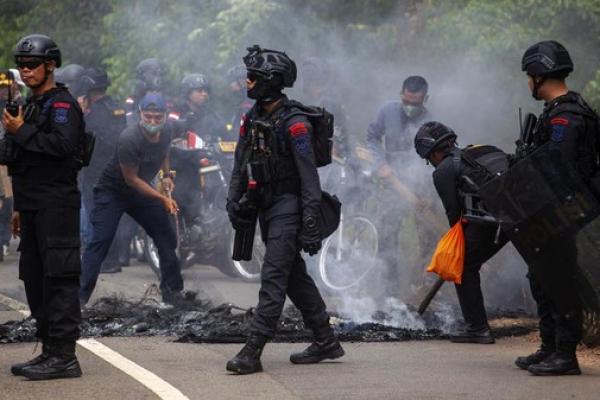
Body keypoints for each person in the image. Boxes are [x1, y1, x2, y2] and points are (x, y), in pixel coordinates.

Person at [225, 45, 344, 375]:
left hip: (288, 205)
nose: (247, 82)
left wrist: (307, 221)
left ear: (271, 81)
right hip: (264, 203)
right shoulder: (253, 116)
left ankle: (252, 351)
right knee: (293, 276)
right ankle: (325, 339)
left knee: (274, 277)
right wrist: (233, 201)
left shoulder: (295, 123)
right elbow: (240, 162)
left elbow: (309, 178)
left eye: (253, 77)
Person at [2, 34, 84, 380]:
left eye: (32, 64)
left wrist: (21, 132)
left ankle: (65, 355)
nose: (26, 70)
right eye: (22, 65)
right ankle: (49, 349)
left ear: (50, 65)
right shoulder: (31, 104)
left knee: (59, 278)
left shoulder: (62, 106)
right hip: (33, 205)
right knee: (34, 279)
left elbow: (63, 147)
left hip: (57, 204)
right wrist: (19, 206)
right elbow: (20, 161)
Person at [513, 40, 596, 376]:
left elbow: (559, 168)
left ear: (538, 76)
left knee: (559, 280)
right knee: (542, 277)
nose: (528, 82)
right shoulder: (559, 112)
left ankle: (566, 354)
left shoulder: (567, 116)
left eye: (529, 76)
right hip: (550, 210)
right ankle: (550, 347)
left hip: (563, 209)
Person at [79, 92, 183, 305]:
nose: (153, 122)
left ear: (164, 116)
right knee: (100, 241)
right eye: (148, 117)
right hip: (113, 191)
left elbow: (164, 153)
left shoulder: (167, 131)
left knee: (166, 237)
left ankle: (173, 295)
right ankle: (77, 300)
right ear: (140, 114)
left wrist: (167, 175)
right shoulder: (129, 138)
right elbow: (132, 180)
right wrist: (162, 199)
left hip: (141, 193)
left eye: (157, 117)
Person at [414, 121, 509, 344]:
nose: (431, 163)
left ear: (432, 153)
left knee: (463, 266)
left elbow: (454, 215)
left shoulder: (443, 171)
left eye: (429, 159)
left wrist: (458, 248)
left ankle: (478, 329)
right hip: (515, 215)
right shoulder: (476, 151)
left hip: (488, 221)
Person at [365, 76, 435, 295]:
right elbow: (372, 137)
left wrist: (429, 195)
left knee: (428, 237)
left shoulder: (432, 124)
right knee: (386, 234)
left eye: (415, 103)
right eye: (407, 101)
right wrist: (380, 164)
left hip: (419, 187)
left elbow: (436, 162)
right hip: (391, 182)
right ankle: (388, 287)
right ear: (401, 94)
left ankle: (424, 285)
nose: (410, 107)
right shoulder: (388, 111)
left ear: (426, 99)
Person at [74, 67, 126, 273]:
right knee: (111, 213)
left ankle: (107, 260)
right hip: (117, 168)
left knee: (97, 215)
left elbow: (79, 134)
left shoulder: (94, 113)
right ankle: (114, 258)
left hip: (96, 171)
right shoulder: (117, 108)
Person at [176, 73, 227, 142]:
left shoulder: (214, 117)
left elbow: (228, 140)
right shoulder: (177, 113)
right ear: (187, 93)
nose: (204, 94)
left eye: (206, 91)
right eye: (199, 91)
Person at [225, 64, 253, 136]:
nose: (230, 85)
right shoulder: (239, 104)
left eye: (232, 81)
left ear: (242, 81)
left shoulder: (248, 106)